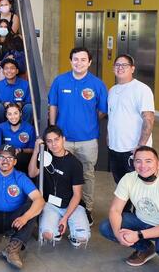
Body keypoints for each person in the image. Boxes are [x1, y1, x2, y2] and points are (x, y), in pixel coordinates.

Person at [99, 146, 159, 272]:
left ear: (158, 164)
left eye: (148, 161)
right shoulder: (128, 179)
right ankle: (146, 249)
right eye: (138, 161)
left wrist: (138, 235)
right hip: (142, 220)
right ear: (133, 164)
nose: (143, 166)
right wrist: (117, 235)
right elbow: (115, 210)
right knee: (107, 226)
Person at [49, 47, 108, 222]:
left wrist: (87, 120)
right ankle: (59, 205)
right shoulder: (60, 81)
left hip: (87, 140)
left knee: (87, 174)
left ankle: (87, 208)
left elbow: (102, 111)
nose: (79, 63)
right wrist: (53, 129)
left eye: (83, 60)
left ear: (89, 62)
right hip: (63, 140)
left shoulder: (97, 84)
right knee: (58, 173)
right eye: (76, 59)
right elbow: (53, 106)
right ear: (70, 61)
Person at [28, 125, 90, 247]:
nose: (53, 144)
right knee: (48, 236)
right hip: (51, 205)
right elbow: (32, 173)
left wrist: (65, 218)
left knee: (82, 238)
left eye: (56, 139)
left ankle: (71, 229)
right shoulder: (45, 157)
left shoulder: (74, 163)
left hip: (72, 204)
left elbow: (77, 195)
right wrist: (36, 150)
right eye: (49, 141)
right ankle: (55, 229)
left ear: (63, 139)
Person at [107, 54, 155, 184]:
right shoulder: (112, 90)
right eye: (117, 65)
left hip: (133, 150)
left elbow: (148, 119)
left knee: (138, 188)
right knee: (122, 186)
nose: (120, 68)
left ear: (132, 69)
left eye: (124, 65)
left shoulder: (142, 90)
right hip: (115, 149)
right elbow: (113, 117)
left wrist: (140, 146)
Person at [0, 19, 26, 85]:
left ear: (8, 29)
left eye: (5, 27)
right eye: (1, 27)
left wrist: (13, 56)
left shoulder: (15, 39)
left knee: (24, 73)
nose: (3, 29)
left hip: (12, 63)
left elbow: (21, 53)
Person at [0, 58, 32, 125]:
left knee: (29, 107)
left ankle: (24, 128)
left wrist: (21, 104)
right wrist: (4, 104)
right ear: (3, 72)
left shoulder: (25, 84)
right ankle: (1, 128)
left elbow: (29, 101)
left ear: (17, 71)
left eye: (12, 68)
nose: (9, 71)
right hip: (5, 113)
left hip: (19, 113)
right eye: (6, 68)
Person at [0, 103, 35, 172]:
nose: (13, 117)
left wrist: (21, 150)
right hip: (5, 157)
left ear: (20, 113)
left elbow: (32, 149)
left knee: (20, 158)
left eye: (15, 113)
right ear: (6, 116)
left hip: (21, 158)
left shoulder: (29, 128)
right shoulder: (1, 127)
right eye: (9, 114)